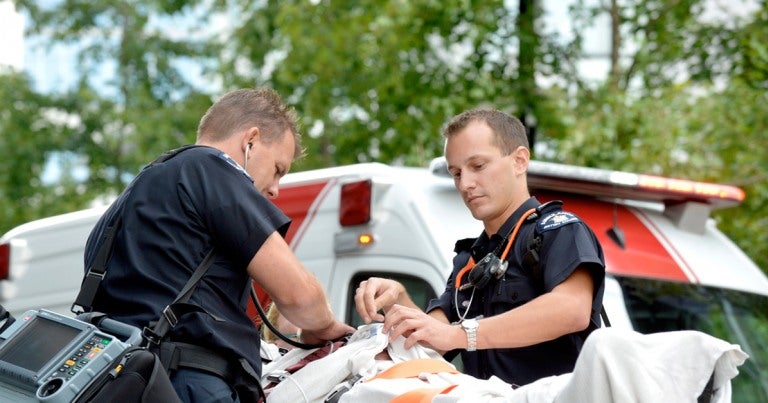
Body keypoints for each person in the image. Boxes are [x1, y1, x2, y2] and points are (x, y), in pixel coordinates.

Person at [83, 88, 353, 402]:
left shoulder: (124, 205)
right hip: (189, 384)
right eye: (278, 169)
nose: (276, 189)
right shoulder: (212, 169)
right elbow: (300, 297)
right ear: (250, 141)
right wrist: (325, 325)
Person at [354, 107, 605, 387]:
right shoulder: (469, 260)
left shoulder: (558, 230)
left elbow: (572, 309)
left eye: (478, 166)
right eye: (456, 173)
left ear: (520, 160)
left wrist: (462, 334)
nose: (466, 184)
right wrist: (398, 297)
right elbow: (432, 341)